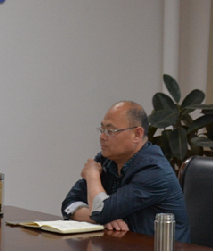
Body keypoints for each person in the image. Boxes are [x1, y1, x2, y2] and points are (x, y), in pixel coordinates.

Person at [61, 100, 190, 240]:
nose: (102, 137)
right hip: (122, 247)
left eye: (110, 131)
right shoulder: (105, 161)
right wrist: (99, 218)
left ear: (137, 134)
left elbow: (100, 211)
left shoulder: (154, 170)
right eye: (102, 130)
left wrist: (92, 176)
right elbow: (69, 204)